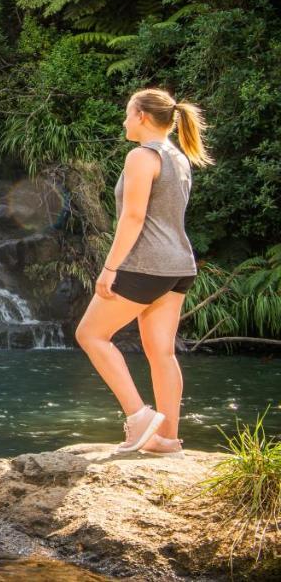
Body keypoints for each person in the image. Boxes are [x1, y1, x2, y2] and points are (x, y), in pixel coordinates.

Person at [75, 87, 214, 456]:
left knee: (90, 334)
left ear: (142, 117)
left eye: (126, 113)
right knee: (161, 352)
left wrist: (109, 268)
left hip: (145, 265)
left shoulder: (142, 155)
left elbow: (134, 218)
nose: (123, 120)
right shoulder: (178, 157)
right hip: (179, 265)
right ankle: (167, 439)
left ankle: (138, 416)